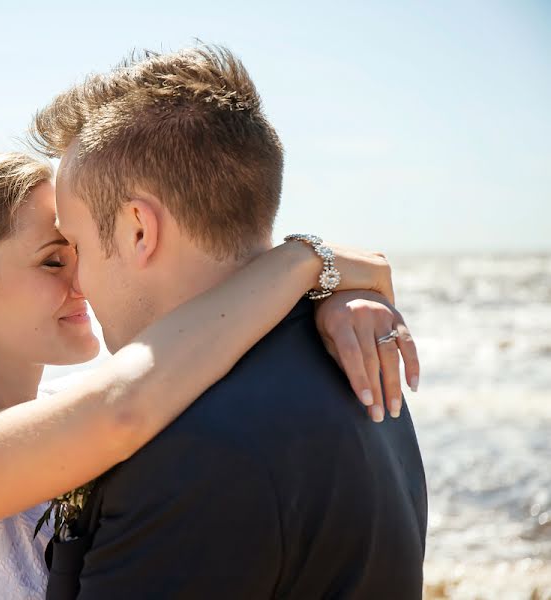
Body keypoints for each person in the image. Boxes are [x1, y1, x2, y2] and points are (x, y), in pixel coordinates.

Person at [0, 148, 415, 597]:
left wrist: (330, 306)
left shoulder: (77, 404)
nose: (84, 279)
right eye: (51, 261)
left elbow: (187, 355)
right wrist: (304, 263)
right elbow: (125, 406)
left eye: (80, 251)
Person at [30, 44, 428, 599]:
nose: (77, 282)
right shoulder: (357, 360)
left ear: (138, 229)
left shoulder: (189, 450)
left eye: (76, 245)